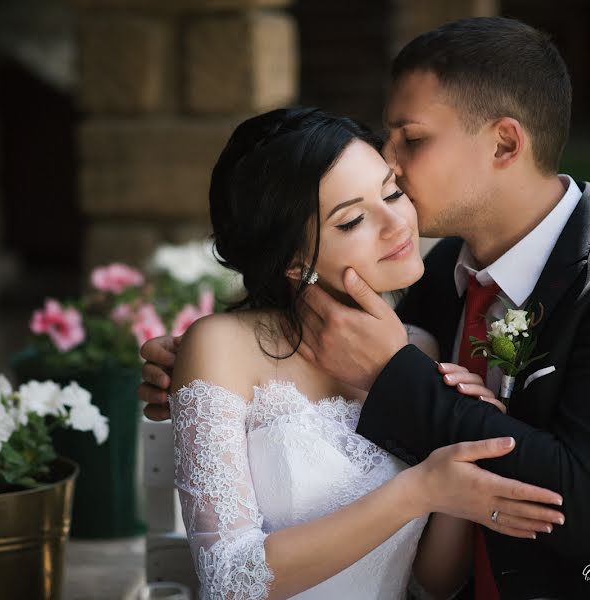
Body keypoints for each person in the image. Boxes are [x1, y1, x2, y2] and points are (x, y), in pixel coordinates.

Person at [141, 17, 590, 600]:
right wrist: (202, 373)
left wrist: (400, 383)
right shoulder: (438, 279)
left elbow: (580, 498)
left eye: (411, 139)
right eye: (355, 211)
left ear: (504, 143)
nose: (390, 162)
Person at [164, 106, 563, 600]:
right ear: (292, 260)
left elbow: (429, 582)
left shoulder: (418, 349)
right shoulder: (220, 346)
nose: (397, 223)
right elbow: (229, 579)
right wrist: (417, 491)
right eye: (352, 220)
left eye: (392, 192)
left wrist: (464, 451)